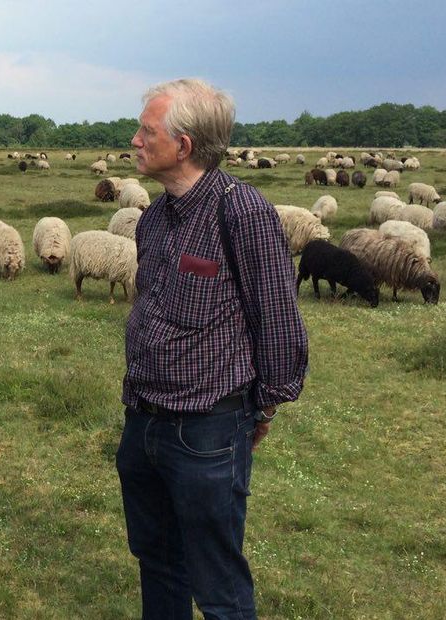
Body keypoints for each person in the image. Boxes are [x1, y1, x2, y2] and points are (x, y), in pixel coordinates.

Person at [116, 78, 308, 619]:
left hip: (207, 431)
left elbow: (278, 320)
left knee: (218, 582)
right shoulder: (152, 218)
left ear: (183, 145)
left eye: (146, 130)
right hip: (143, 423)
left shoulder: (241, 212)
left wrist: (265, 405)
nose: (134, 139)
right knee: (157, 561)